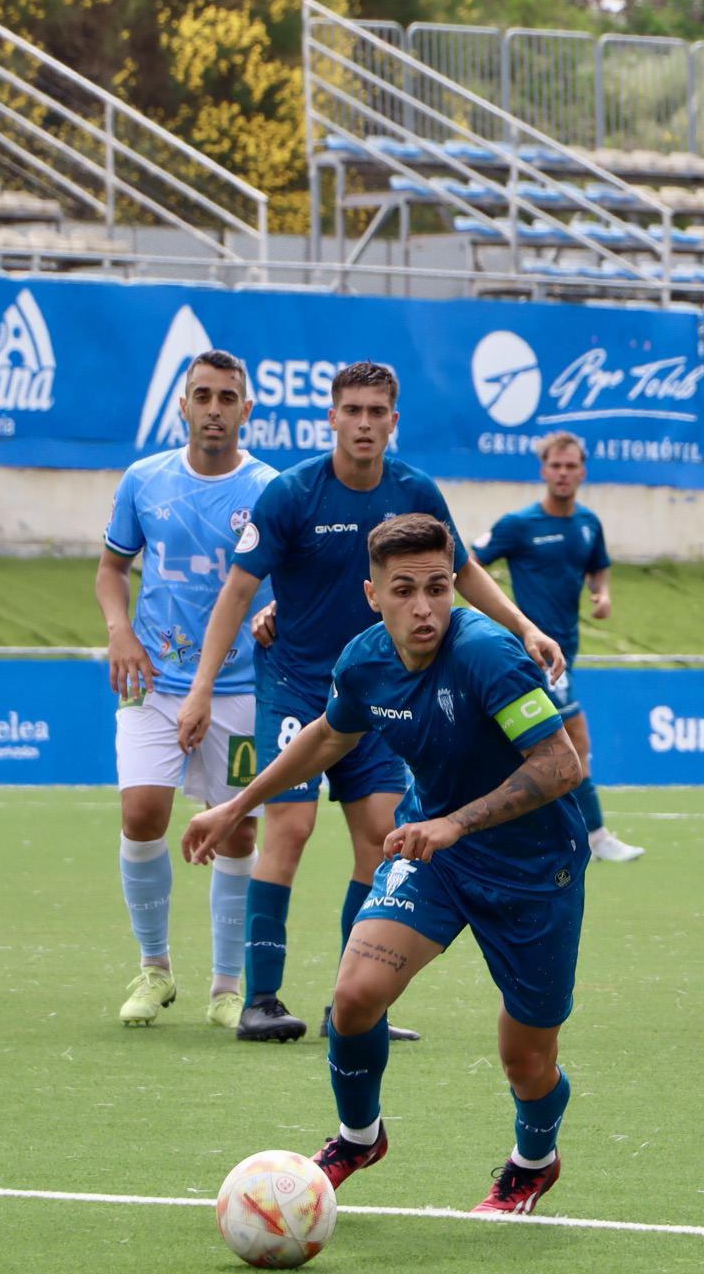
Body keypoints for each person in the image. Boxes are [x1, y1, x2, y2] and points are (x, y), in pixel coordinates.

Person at [183, 513, 587, 1213]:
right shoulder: (365, 660)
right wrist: (234, 805)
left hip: (532, 869)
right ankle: (359, 1136)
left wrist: (455, 823)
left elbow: (561, 765)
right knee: (355, 996)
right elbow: (324, 740)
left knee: (526, 1060)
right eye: (404, 590)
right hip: (434, 859)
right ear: (374, 594)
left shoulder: (491, 656)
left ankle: (533, 1159)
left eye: (438, 587)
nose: (424, 606)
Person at [178, 361, 566, 1043]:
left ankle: (351, 1007)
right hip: (301, 687)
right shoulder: (294, 493)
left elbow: (464, 569)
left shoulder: (416, 491)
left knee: (381, 842)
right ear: (331, 416)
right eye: (351, 410)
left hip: (388, 694)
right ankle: (260, 999)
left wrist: (525, 627)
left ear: (393, 420)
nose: (363, 422)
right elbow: (238, 592)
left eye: (376, 411)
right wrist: (203, 685)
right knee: (290, 830)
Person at [97, 349, 276, 1031]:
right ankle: (156, 969)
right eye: (201, 395)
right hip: (153, 679)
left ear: (246, 409)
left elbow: (291, 580)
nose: (213, 409)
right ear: (182, 405)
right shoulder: (144, 480)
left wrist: (274, 613)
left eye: (227, 397)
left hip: (240, 686)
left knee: (236, 829)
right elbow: (112, 568)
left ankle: (226, 989)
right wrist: (119, 629)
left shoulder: (270, 489)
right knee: (143, 813)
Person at [475, 432, 644, 863]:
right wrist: (503, 614)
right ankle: (596, 836)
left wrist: (601, 594)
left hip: (566, 651)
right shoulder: (518, 525)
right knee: (574, 738)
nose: (563, 473)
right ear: (543, 470)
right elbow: (470, 562)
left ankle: (514, 835)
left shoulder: (588, 524)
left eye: (571, 466)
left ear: (582, 472)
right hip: (529, 655)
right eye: (556, 465)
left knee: (521, 748)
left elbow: (597, 567)